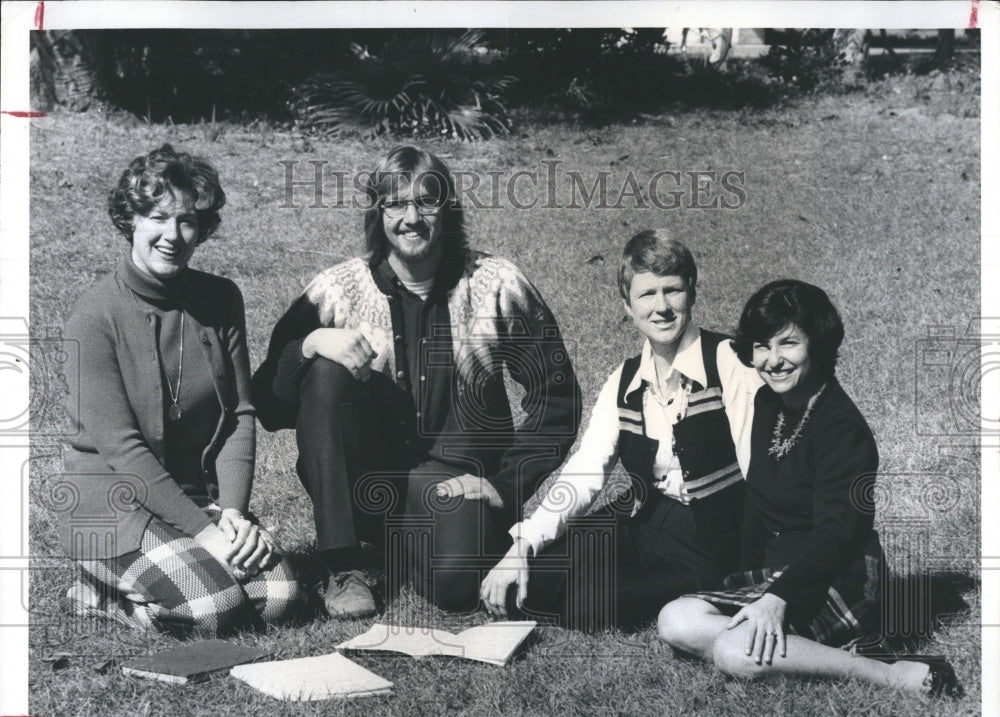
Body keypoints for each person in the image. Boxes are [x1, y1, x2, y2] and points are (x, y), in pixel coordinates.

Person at [252, 145, 581, 618]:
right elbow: (267, 403)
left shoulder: (496, 284)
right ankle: (344, 564)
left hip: (455, 484)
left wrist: (507, 483)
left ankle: (406, 547)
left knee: (458, 589)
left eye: (426, 202)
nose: (411, 218)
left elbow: (557, 394)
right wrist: (310, 344)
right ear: (378, 212)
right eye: (395, 204)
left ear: (447, 209)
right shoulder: (337, 290)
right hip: (364, 484)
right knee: (325, 371)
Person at [657, 280, 962, 697]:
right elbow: (757, 506)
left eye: (788, 343)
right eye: (762, 346)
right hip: (779, 569)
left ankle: (888, 673)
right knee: (675, 620)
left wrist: (777, 599)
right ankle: (801, 652)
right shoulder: (768, 403)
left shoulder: (842, 427)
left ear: (816, 344)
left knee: (733, 650)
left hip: (838, 573)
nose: (773, 360)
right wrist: (741, 583)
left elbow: (838, 534)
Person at [58, 144, 306, 636]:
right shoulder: (93, 317)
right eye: (157, 217)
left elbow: (240, 415)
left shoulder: (220, 298)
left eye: (187, 220)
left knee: (279, 599)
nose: (172, 235)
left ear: (203, 227)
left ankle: (172, 571)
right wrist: (207, 536)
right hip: (112, 508)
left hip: (194, 500)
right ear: (131, 220)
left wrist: (231, 516)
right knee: (214, 607)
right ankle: (102, 594)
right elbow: (124, 450)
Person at [480, 230, 762, 630]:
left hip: (709, 543)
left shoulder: (728, 361)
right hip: (642, 519)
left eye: (673, 290)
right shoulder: (624, 380)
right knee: (531, 578)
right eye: (647, 294)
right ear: (627, 306)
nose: (661, 307)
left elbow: (758, 467)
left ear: (692, 292)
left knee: (588, 604)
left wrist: (769, 566)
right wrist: (523, 545)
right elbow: (586, 471)